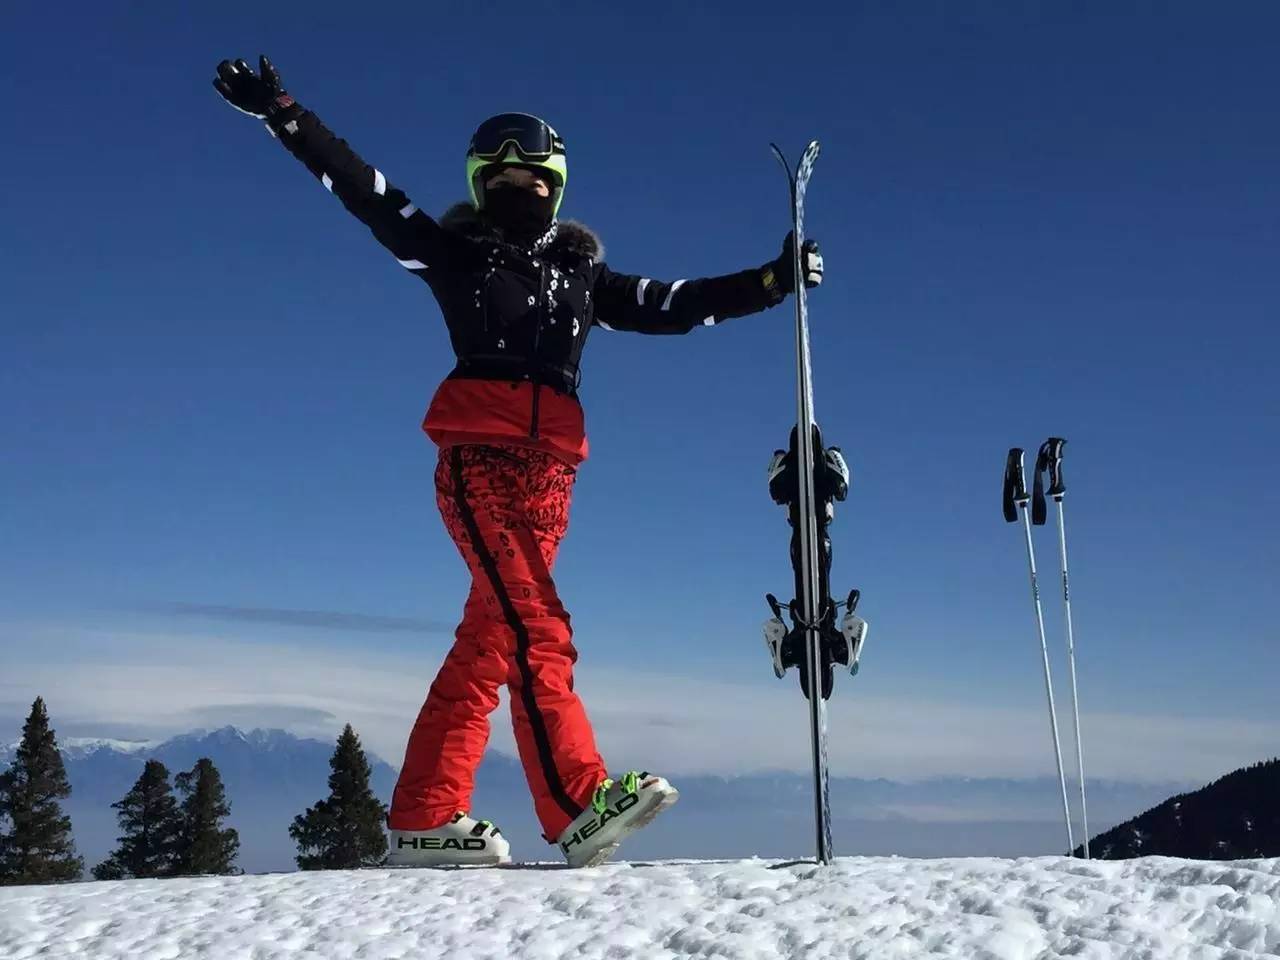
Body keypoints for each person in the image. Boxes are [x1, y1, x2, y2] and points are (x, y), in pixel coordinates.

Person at [212, 56, 824, 868]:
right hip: (479, 465)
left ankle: (427, 814)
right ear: (477, 180)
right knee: (540, 629)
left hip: (552, 482)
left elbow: (673, 305)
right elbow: (366, 190)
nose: (516, 184)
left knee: (492, 642)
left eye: (533, 174)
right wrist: (286, 113)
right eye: (498, 173)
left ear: (556, 186)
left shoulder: (582, 278)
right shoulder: (455, 255)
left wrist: (771, 281)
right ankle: (576, 803)